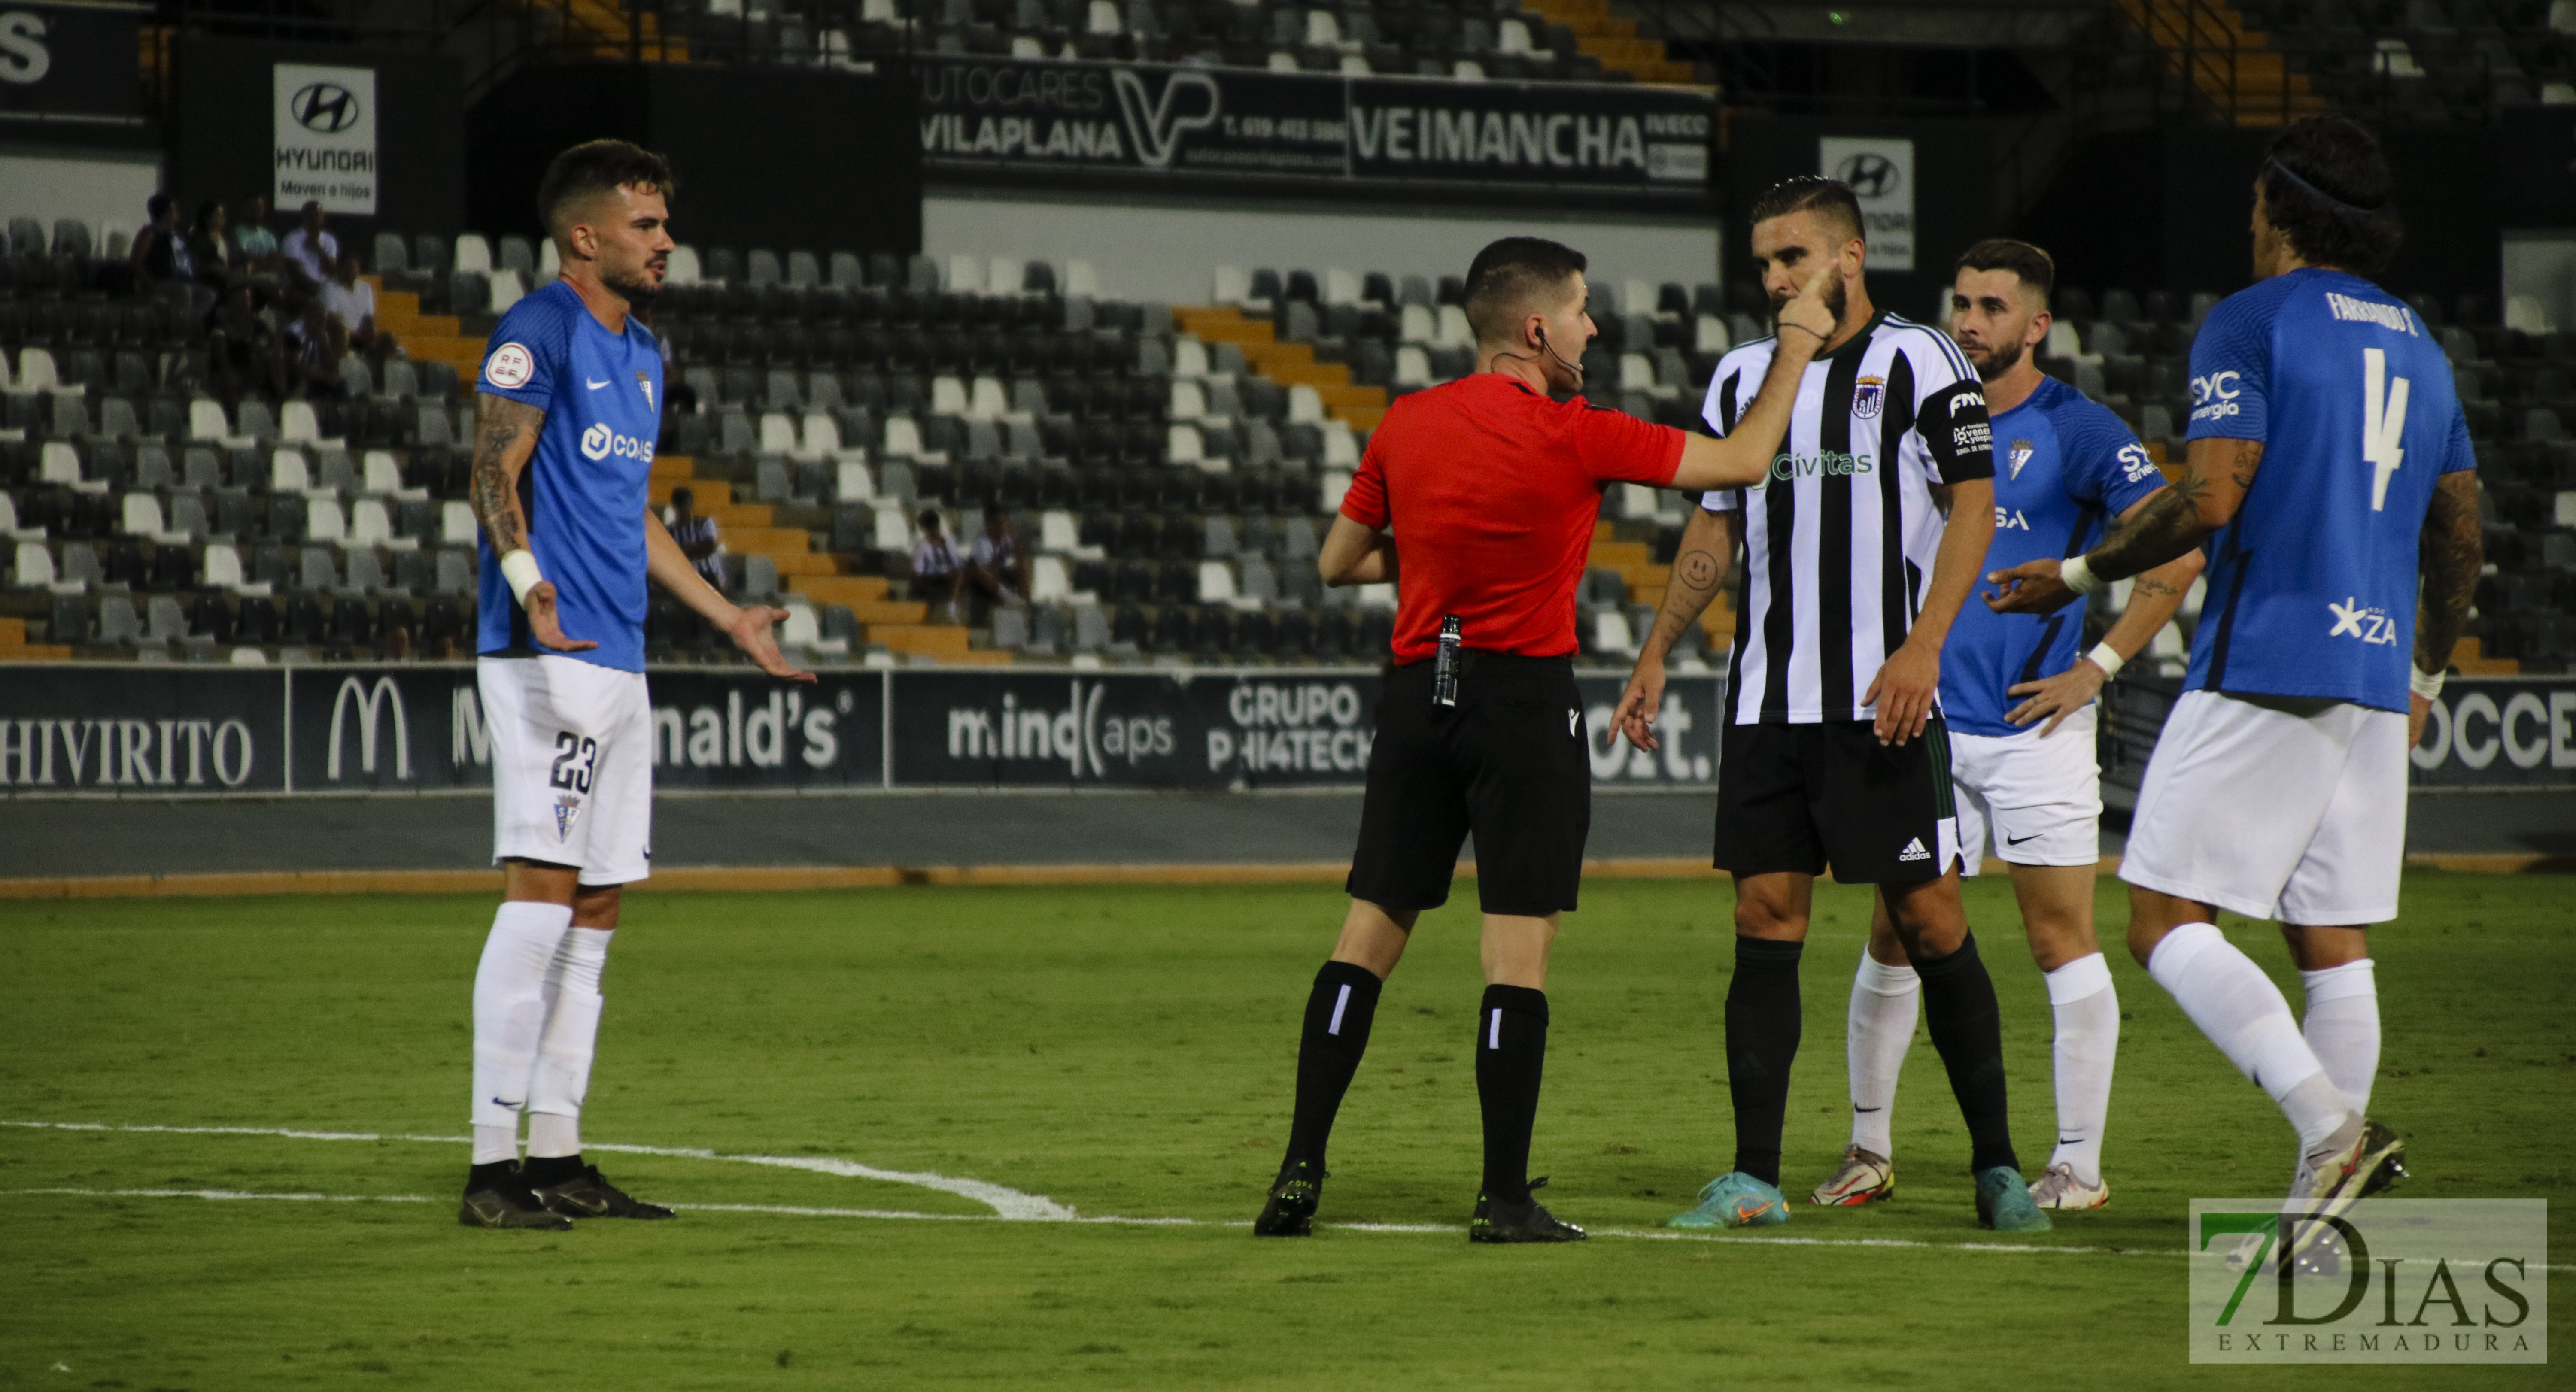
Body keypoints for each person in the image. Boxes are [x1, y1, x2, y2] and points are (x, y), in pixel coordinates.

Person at [1254, 236, 1834, 1244]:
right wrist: (1794, 343)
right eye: (1579, 312)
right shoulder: (1577, 432)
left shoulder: (1406, 421)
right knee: (1514, 954)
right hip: (1522, 704)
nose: (1592, 328)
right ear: (1535, 331)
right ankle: (1503, 1196)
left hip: (1416, 695)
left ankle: (1298, 1170)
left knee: (1366, 935)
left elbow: (1338, 561)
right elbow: (1744, 461)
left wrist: (1443, 544)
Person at [1985, 116, 2476, 1249]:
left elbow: (2210, 498)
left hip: (2269, 655)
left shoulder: (2251, 322)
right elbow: (2459, 535)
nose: (2247, 223)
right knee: (2330, 937)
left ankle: (2330, 1128)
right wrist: (2428, 676)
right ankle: (2326, 1217)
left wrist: (2075, 571)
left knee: (2162, 917)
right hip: (2372, 671)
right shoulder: (2421, 343)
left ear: (2284, 211)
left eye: (2257, 205)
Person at [1614, 176, 2047, 1234]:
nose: (1773, 280)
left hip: (1881, 699)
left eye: (1792, 258)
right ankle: (1752, 1176)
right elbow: (1713, 528)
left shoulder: (1922, 358)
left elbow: (1976, 507)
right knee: (1764, 915)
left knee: (1929, 915)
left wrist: (1923, 650)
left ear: (1848, 257)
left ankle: (1997, 1168)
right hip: (1767, 703)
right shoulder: (1740, 378)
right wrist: (1656, 649)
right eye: (1764, 262)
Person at [460, 138, 813, 1230]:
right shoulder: (541, 332)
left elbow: (631, 511)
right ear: (586, 236)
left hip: (620, 658)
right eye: (646, 225)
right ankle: (489, 1168)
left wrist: (725, 617)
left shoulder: (647, 352)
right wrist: (528, 587)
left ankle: (559, 1153)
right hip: (549, 659)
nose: (668, 241)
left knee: (599, 905)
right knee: (541, 896)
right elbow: (488, 471)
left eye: (666, 224)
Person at [1813, 238, 2205, 1217]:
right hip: (1924, 718)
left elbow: (2178, 545)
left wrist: (2098, 665)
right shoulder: (1909, 420)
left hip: (2035, 731)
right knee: (1896, 930)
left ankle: (2077, 1163)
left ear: (2036, 324)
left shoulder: (2080, 429)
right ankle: (1868, 1148)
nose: (1969, 320)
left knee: (2059, 938)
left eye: (1992, 306)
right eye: (1961, 302)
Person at [320, 252, 387, 368]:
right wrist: (358, 335)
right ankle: (339, 370)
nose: (350, 271)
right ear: (339, 268)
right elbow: (332, 322)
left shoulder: (366, 288)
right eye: (346, 268)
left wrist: (371, 334)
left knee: (389, 339)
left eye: (353, 268)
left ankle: (380, 376)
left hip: (360, 336)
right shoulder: (329, 288)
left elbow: (369, 319)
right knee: (343, 333)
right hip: (338, 336)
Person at [965, 503, 1027, 612]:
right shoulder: (982, 544)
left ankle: (1026, 600)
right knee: (981, 571)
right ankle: (1008, 597)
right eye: (997, 524)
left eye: (1004, 523)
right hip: (986, 580)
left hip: (1005, 572)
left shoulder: (1008, 539)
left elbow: (1019, 557)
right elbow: (985, 568)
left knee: (1026, 564)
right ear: (989, 524)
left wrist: (1018, 548)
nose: (1001, 527)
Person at [665, 485, 727, 589]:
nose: (684, 510)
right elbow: (669, 556)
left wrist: (683, 551)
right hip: (685, 581)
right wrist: (695, 548)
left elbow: (709, 547)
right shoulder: (670, 531)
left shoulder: (704, 523)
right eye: (682, 506)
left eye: (686, 505)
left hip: (709, 577)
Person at [129, 195, 196, 287]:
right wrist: (151, 283)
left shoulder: (178, 236)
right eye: (174, 210)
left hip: (185, 278)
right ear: (165, 214)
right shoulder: (151, 233)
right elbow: (136, 262)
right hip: (163, 281)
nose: (178, 213)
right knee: (185, 295)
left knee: (208, 295)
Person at [910, 509, 964, 619]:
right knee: (957, 576)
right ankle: (951, 608)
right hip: (933, 578)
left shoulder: (949, 542)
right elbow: (918, 572)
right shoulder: (922, 547)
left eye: (935, 526)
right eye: (930, 527)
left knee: (962, 573)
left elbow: (957, 563)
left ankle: (953, 606)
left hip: (951, 574)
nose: (934, 530)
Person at [280, 200, 337, 291]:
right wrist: (313, 286)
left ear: (323, 217)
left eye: (318, 215)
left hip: (325, 287)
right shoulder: (293, 238)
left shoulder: (330, 240)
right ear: (305, 217)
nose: (315, 219)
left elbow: (332, 270)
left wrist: (320, 251)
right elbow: (293, 271)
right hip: (301, 287)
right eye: (311, 216)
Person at [232, 194, 282, 273]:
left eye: (259, 208)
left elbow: (276, 260)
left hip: (270, 278)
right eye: (252, 208)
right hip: (247, 279)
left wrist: (257, 264)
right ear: (246, 209)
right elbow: (245, 259)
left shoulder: (269, 235)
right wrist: (266, 262)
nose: (256, 211)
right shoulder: (238, 232)